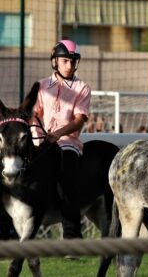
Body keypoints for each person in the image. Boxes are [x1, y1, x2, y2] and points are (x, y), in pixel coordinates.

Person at [31, 40, 90, 247]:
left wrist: (56, 135)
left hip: (68, 144)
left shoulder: (82, 88)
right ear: (55, 61)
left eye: (73, 62)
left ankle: (72, 236)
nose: (70, 65)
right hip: (41, 142)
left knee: (68, 179)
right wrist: (37, 136)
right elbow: (34, 115)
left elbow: (79, 120)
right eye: (66, 61)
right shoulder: (41, 86)